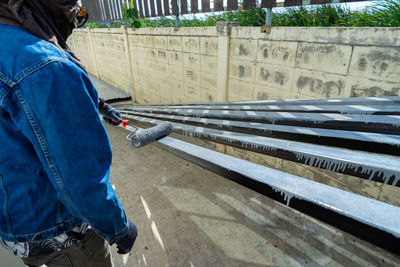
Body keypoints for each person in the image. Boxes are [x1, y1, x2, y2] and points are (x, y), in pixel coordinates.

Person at [0, 0, 137, 266]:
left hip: (16, 221)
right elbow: (81, 177)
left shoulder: (8, 37)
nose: (74, 23)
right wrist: (118, 227)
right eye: (75, 15)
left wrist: (98, 105)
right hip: (59, 232)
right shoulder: (45, 64)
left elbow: (25, 104)